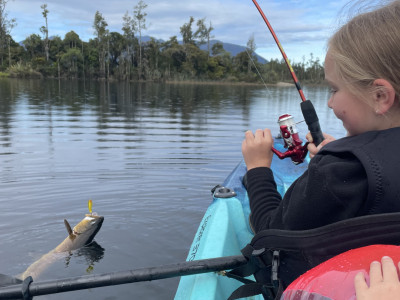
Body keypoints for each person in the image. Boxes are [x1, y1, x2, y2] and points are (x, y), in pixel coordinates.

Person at [242, 0, 400, 233]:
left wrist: (257, 169)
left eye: (334, 89)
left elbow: (270, 234)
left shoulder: (337, 176)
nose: (329, 102)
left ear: (379, 96)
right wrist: (345, 152)